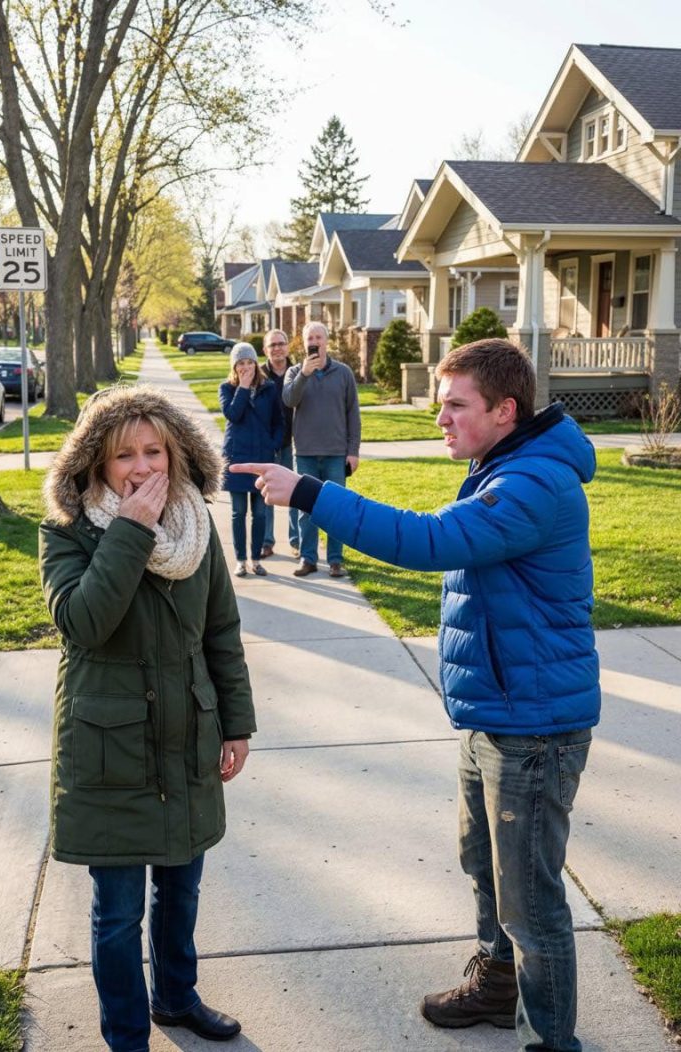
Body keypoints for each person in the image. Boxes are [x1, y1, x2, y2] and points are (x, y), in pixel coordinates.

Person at [232, 338, 600, 1052]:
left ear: (504, 409)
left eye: (456, 405)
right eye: (440, 404)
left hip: (533, 727)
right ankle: (498, 988)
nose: (441, 418)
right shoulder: (508, 464)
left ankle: (552, 1042)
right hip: (498, 713)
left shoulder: (533, 484)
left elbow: (427, 541)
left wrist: (309, 491)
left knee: (533, 904)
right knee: (485, 867)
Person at [39, 385, 256, 1051]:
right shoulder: (67, 535)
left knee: (181, 894)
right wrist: (131, 532)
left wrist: (237, 723)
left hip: (188, 737)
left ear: (176, 456)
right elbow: (83, 623)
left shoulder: (196, 526)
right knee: (117, 915)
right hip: (110, 752)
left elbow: (221, 628)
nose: (140, 468)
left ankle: (176, 1000)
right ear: (95, 466)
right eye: (122, 455)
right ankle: (127, 1036)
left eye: (153, 452)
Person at [282, 320, 361, 578]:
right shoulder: (294, 372)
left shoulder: (343, 373)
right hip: (305, 452)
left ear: (326, 341)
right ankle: (308, 558)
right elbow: (289, 399)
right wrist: (304, 374)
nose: (314, 342)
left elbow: (353, 414)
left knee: (336, 508)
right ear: (304, 343)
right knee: (307, 511)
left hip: (336, 453)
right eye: (310, 338)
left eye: (318, 337)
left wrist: (353, 450)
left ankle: (336, 560)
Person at [219, 342, 283, 577]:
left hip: (262, 458)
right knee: (238, 512)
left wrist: (273, 444)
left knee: (260, 513)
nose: (246, 367)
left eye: (249, 362)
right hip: (237, 457)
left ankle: (256, 559)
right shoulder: (226, 388)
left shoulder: (269, 389)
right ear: (234, 367)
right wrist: (243, 388)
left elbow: (279, 422)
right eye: (241, 364)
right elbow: (233, 414)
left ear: (256, 364)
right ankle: (240, 560)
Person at [260, 328, 299, 559]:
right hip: (267, 445)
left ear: (287, 347)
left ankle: (296, 541)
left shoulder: (297, 372)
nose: (277, 348)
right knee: (267, 494)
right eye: (272, 345)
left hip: (294, 444)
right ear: (265, 350)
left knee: (296, 492)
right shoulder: (260, 375)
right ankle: (266, 541)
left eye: (281, 343)